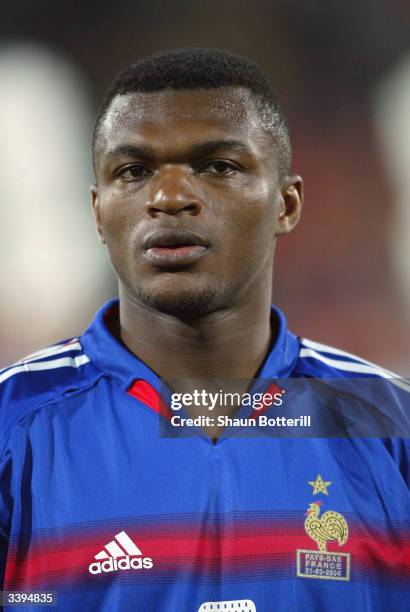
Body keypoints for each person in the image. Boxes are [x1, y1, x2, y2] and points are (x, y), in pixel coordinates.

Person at [0, 48, 409, 612]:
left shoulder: (391, 428)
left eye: (218, 166)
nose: (169, 198)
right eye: (134, 171)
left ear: (286, 204)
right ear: (97, 213)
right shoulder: (12, 424)